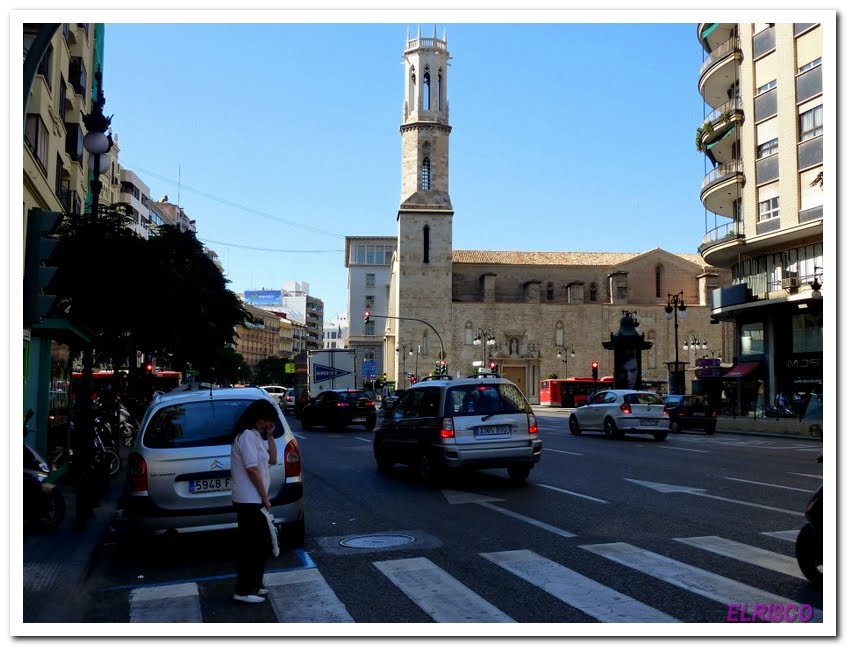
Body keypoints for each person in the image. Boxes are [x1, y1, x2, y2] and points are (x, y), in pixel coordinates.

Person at [230, 399, 278, 603]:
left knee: (260, 545)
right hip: (249, 500)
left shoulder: (257, 436)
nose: (266, 424)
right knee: (253, 546)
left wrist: (270, 436)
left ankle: (254, 586)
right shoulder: (247, 436)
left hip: (254, 499)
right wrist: (265, 498)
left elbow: (272, 460)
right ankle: (243, 591)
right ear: (257, 417)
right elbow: (251, 469)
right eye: (265, 420)